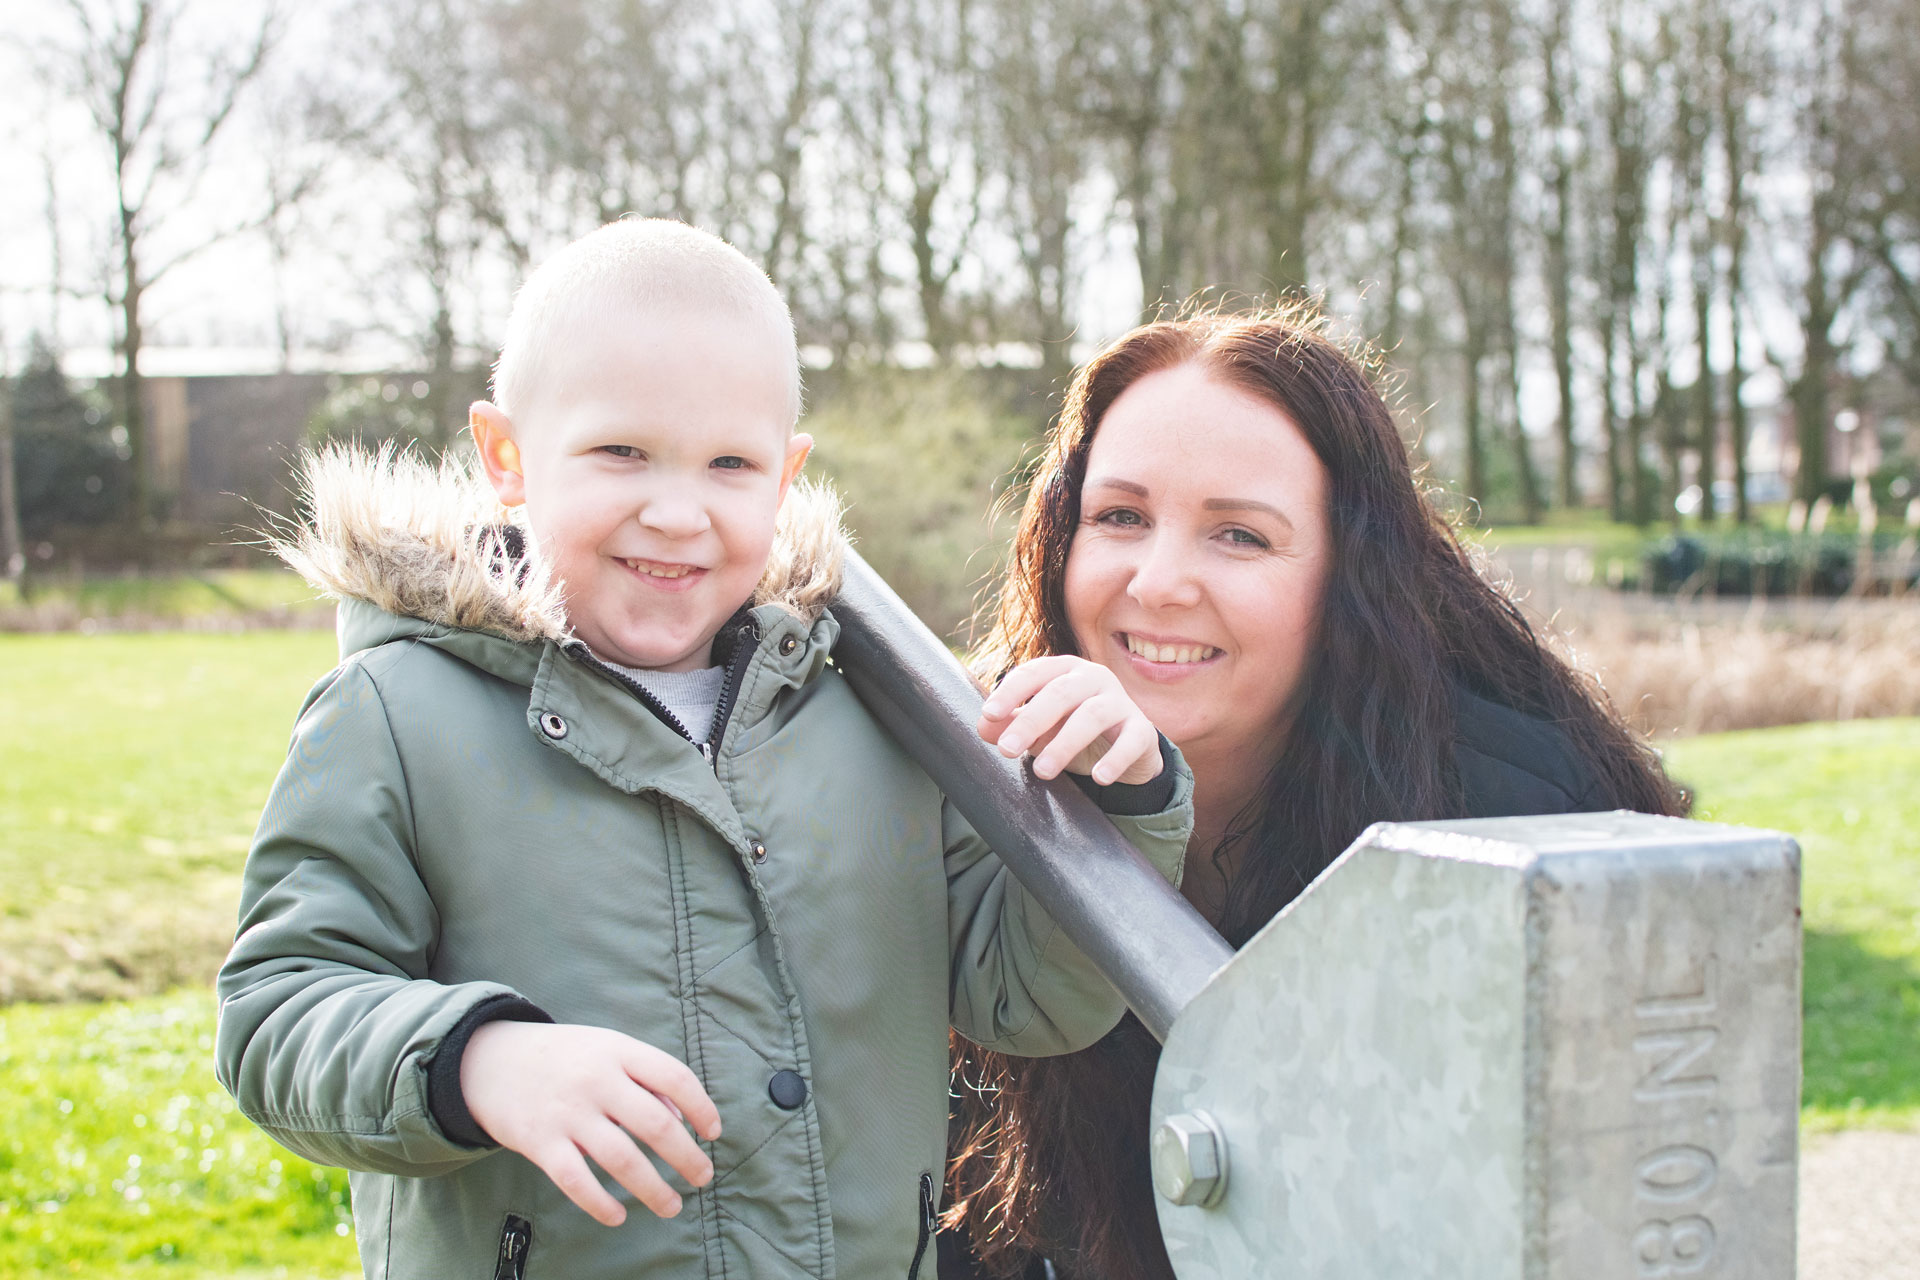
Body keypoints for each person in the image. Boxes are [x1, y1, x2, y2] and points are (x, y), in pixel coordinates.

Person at [214, 218, 1194, 1280]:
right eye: (620, 451)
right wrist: (479, 1058)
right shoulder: (394, 714)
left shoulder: (871, 704)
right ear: (506, 455)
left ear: (785, 476)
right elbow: (278, 1010)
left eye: (731, 462)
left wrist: (1120, 802)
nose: (676, 511)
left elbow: (1028, 994)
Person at [941, 306, 1685, 1280]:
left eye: (1240, 534)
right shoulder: (978, 776)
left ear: (1350, 572)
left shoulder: (1511, 815)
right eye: (1119, 516)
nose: (1158, 581)